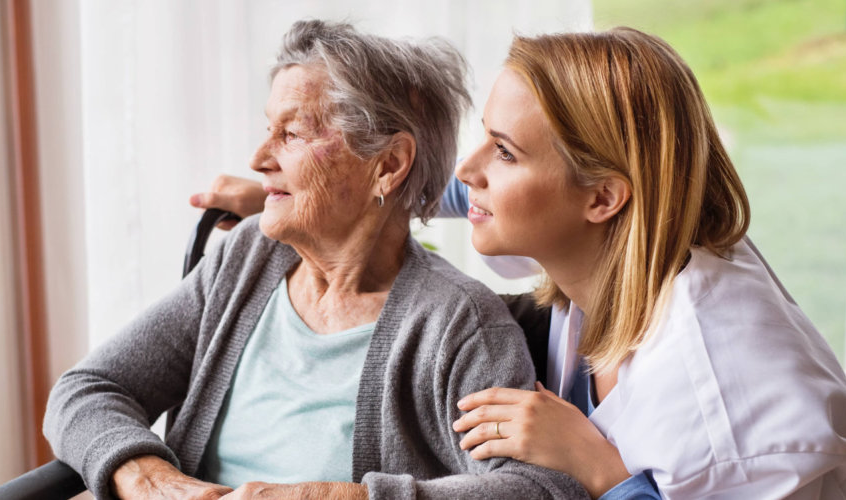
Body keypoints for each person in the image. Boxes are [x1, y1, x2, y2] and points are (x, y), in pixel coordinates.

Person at [193, 27, 846, 500]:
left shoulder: (726, 405)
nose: (471, 169)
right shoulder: (636, 236)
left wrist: (601, 468)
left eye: (503, 151)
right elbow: (470, 183)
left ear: (602, 197)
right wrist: (324, 192)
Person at [43, 20, 587, 500]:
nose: (259, 159)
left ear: (389, 164)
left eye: (293, 134)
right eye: (267, 129)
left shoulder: (455, 324)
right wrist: (147, 479)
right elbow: (88, 388)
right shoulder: (247, 260)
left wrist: (343, 499)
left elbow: (542, 488)